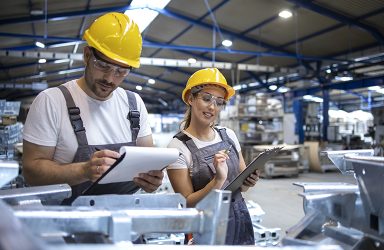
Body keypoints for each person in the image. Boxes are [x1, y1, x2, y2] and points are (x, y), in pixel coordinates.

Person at [22, 12, 163, 203]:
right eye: (103, 66)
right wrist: (83, 170)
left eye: (121, 71)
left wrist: (151, 180)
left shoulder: (134, 104)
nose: (110, 79)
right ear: (87, 55)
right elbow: (32, 173)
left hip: (122, 222)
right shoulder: (52, 101)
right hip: (63, 224)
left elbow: (148, 162)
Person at [166, 68, 259, 245]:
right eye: (206, 98)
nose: (212, 107)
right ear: (190, 99)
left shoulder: (229, 135)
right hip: (204, 228)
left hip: (239, 219)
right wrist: (217, 181)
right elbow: (188, 203)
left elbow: (242, 187)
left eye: (219, 102)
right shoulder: (178, 147)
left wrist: (250, 180)